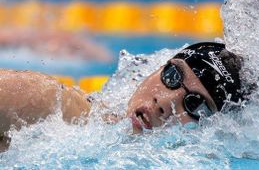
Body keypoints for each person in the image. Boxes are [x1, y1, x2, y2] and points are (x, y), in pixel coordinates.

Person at [0, 42, 245, 149]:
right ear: (156, 69)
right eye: (172, 77)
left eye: (196, 105)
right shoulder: (48, 103)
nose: (165, 102)